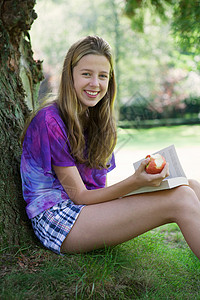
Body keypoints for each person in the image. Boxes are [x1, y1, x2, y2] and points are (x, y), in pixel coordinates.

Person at [20, 35, 200, 259]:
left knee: (190, 185)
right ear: (70, 75)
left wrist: (145, 185)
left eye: (102, 76)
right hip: (57, 221)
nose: (95, 83)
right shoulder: (50, 120)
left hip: (84, 212)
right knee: (181, 198)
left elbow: (96, 191)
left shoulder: (97, 121)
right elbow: (81, 196)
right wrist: (134, 182)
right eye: (86, 74)